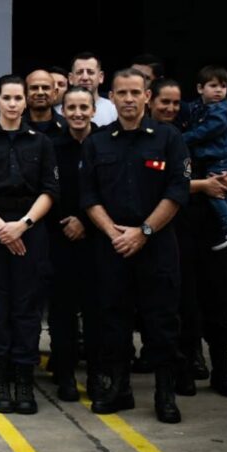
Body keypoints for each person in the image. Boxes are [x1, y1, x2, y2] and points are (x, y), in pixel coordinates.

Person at [80, 68, 190, 423]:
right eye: (122, 93)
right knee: (113, 320)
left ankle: (164, 393)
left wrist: (143, 232)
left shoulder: (169, 138)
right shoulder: (97, 142)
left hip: (156, 246)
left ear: (147, 96)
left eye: (135, 93)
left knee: (161, 322)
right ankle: (120, 389)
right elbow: (89, 195)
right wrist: (116, 235)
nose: (128, 99)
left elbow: (177, 190)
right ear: (111, 97)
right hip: (112, 247)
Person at [0, 74, 58, 415]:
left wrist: (23, 226)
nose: (14, 104)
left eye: (20, 98)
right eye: (8, 98)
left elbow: (50, 190)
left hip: (30, 230)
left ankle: (23, 380)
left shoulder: (42, 143)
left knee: (27, 310)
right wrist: (3, 228)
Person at [149, 79, 227, 399]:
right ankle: (185, 370)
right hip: (175, 231)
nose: (170, 109)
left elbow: (224, 171)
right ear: (151, 101)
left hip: (211, 231)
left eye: (176, 103)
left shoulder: (199, 130)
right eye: (164, 102)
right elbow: (160, 184)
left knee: (218, 302)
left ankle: (222, 372)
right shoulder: (151, 138)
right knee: (183, 307)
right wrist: (203, 185)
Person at [46, 85, 99, 402]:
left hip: (97, 239)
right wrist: (67, 221)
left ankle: (95, 375)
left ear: (94, 109)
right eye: (72, 108)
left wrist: (85, 220)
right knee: (61, 312)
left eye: (84, 107)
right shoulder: (52, 146)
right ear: (63, 112)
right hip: (59, 237)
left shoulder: (106, 143)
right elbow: (46, 190)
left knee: (96, 312)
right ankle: (64, 374)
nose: (78, 113)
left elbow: (111, 190)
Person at [177, 65, 227, 249]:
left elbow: (205, 132)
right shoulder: (198, 106)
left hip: (223, 158)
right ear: (200, 88)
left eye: (223, 86)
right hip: (214, 158)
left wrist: (181, 139)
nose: (219, 90)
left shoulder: (221, 111)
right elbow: (189, 108)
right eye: (213, 85)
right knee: (218, 189)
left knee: (214, 190)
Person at [68, 51, 118, 125]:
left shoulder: (114, 110)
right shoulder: (57, 112)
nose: (85, 77)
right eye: (79, 72)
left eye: (90, 72)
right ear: (71, 78)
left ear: (101, 77)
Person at [25, 69, 66, 138]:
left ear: (55, 93)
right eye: (34, 88)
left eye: (45, 88)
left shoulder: (68, 128)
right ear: (25, 93)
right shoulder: (15, 127)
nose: (40, 92)